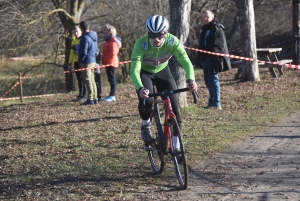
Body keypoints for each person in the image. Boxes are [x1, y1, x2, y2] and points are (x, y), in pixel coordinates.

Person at [130, 15, 198, 149]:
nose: (156, 39)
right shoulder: (141, 44)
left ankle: (177, 146)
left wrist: (191, 80)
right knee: (147, 100)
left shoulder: (173, 41)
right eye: (152, 35)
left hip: (162, 70)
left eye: (160, 36)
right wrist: (140, 89)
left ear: (166, 33)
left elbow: (186, 62)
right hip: (145, 73)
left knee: (174, 105)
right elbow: (134, 71)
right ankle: (145, 124)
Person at [197, 10, 231, 110]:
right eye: (203, 17)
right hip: (205, 59)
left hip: (213, 60)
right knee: (208, 81)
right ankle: (211, 101)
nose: (205, 19)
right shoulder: (205, 28)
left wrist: (211, 57)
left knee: (214, 81)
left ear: (212, 17)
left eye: (207, 17)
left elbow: (220, 46)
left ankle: (217, 103)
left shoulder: (217, 28)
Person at [78, 21, 99, 105]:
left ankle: (90, 99)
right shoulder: (93, 36)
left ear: (81, 28)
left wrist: (80, 60)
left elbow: (83, 51)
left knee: (88, 80)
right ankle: (95, 97)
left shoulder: (85, 38)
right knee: (92, 80)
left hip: (86, 61)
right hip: (93, 60)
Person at [101, 24, 122, 102]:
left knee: (112, 79)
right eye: (105, 30)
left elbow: (113, 53)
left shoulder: (113, 41)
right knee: (110, 79)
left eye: (107, 30)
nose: (105, 32)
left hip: (111, 62)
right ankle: (111, 94)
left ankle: (112, 95)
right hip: (108, 62)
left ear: (111, 31)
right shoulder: (108, 40)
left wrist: (105, 58)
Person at [68, 26, 87, 103]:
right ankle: (80, 94)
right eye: (74, 32)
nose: (75, 33)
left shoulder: (83, 40)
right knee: (79, 79)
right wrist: (70, 63)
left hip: (82, 61)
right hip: (76, 62)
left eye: (77, 32)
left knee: (83, 78)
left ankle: (84, 95)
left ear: (81, 31)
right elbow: (71, 53)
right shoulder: (74, 41)